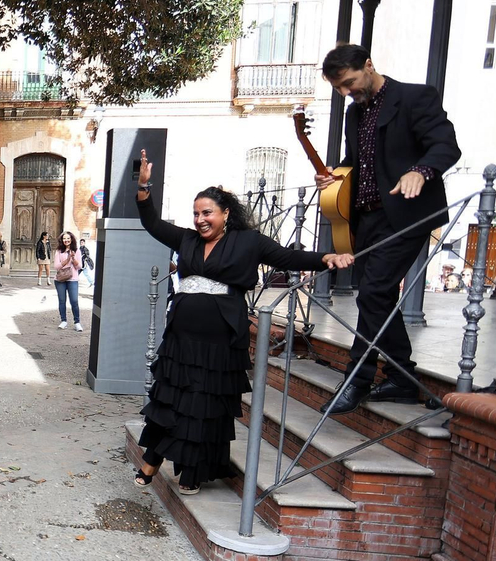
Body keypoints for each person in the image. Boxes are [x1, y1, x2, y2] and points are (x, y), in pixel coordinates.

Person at [131, 149, 353, 494]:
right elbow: (152, 223)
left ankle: (187, 471)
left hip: (220, 340)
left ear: (226, 213)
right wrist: (143, 187)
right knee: (172, 399)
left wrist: (327, 257)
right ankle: (155, 457)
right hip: (180, 338)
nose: (200, 219)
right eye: (196, 213)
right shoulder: (186, 239)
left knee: (202, 405)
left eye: (207, 212)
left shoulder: (248, 241)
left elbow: (288, 256)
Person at [317, 43, 462, 414]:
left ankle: (357, 379)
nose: (347, 92)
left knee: (374, 291)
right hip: (365, 218)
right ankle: (401, 377)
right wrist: (334, 177)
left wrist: (420, 171)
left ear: (368, 65)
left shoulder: (415, 97)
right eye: (340, 89)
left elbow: (446, 146)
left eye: (350, 82)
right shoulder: (354, 113)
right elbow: (357, 163)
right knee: (376, 294)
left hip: (405, 215)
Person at [53, 232, 83, 330]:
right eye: (64, 238)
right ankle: (63, 321)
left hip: (73, 279)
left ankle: (77, 322)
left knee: (74, 301)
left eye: (68, 238)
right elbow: (56, 266)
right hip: (60, 279)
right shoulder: (59, 251)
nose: (66, 240)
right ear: (61, 240)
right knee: (62, 301)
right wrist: (67, 259)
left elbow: (79, 267)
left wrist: (73, 258)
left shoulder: (77, 250)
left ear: (72, 239)